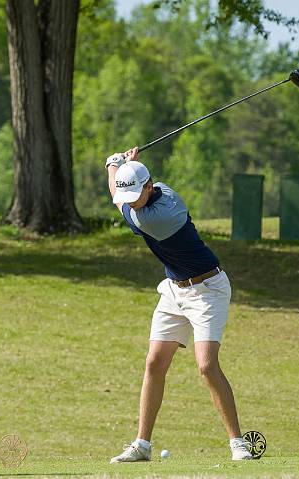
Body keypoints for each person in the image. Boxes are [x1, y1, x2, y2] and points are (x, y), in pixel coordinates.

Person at [106, 147, 253, 463]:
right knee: (154, 362)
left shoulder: (156, 217)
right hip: (174, 290)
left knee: (206, 365)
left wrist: (113, 163)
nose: (134, 201)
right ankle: (142, 445)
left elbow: (116, 198)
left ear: (149, 186)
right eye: (130, 194)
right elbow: (123, 193)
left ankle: (238, 444)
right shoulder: (159, 191)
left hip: (208, 290)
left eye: (137, 195)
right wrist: (129, 165)